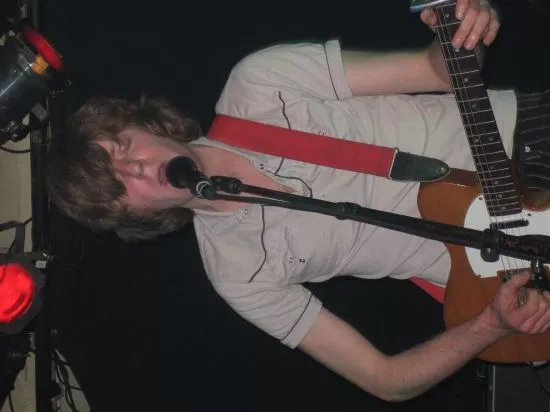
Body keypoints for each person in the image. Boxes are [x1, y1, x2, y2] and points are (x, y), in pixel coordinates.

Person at [47, 0, 550, 402]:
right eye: (119, 187)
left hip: (526, 141)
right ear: (136, 215)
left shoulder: (258, 83)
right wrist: (490, 325)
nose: (135, 168)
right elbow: (386, 379)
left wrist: (463, 30)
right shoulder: (238, 272)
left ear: (145, 125)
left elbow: (436, 71)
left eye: (123, 146)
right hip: (520, 271)